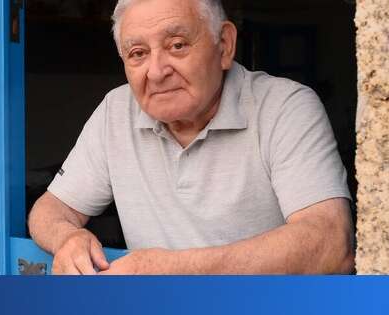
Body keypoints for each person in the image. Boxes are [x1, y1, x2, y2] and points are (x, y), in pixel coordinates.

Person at [28, 0, 355, 275]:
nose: (156, 72)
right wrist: (68, 238)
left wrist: (172, 269)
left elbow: (331, 244)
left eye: (177, 45)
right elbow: (51, 209)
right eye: (138, 53)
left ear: (224, 45)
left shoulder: (284, 106)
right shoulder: (117, 110)